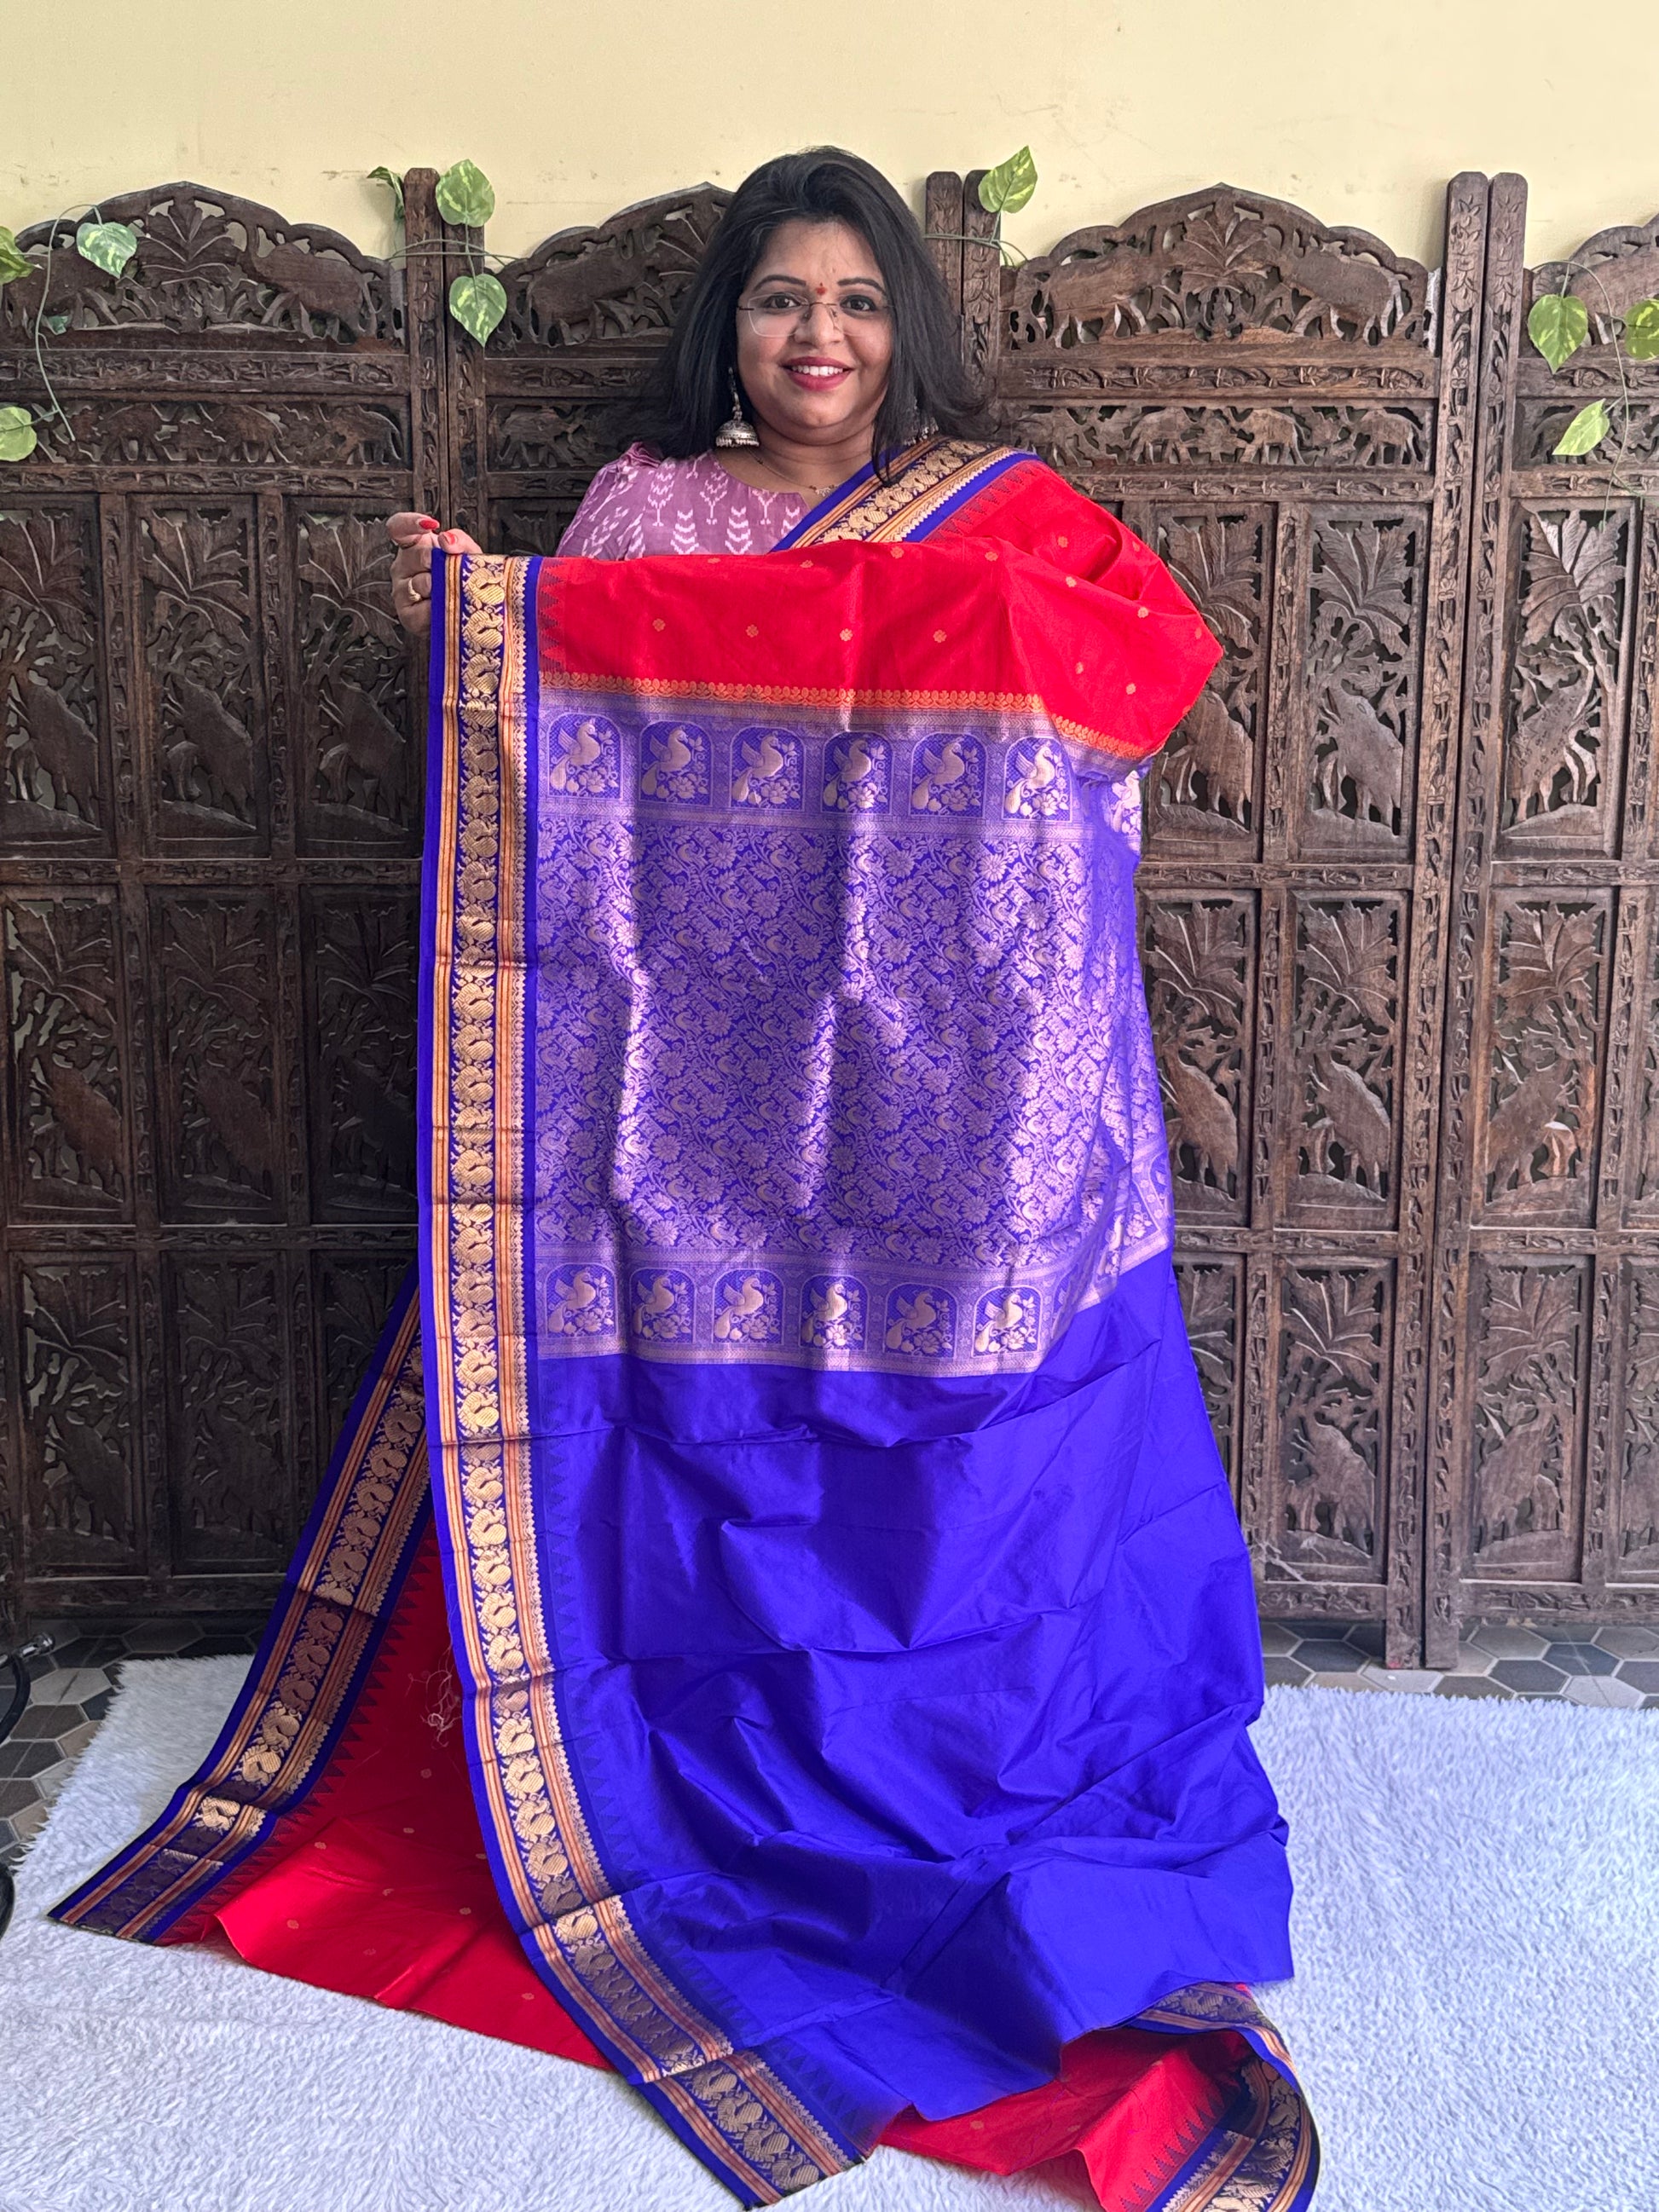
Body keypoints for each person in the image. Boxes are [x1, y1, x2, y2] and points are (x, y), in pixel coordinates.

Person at [56, 151, 1316, 2210]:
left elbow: (1129, 686)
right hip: (683, 1141)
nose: (814, 337)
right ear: (723, 324)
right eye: (775, 300)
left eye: (853, 301)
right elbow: (574, 775)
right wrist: (480, 615)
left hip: (954, 1132)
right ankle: (688, 1789)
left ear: (906, 325)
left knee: (969, 1503)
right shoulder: (644, 513)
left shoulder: (1013, 517)